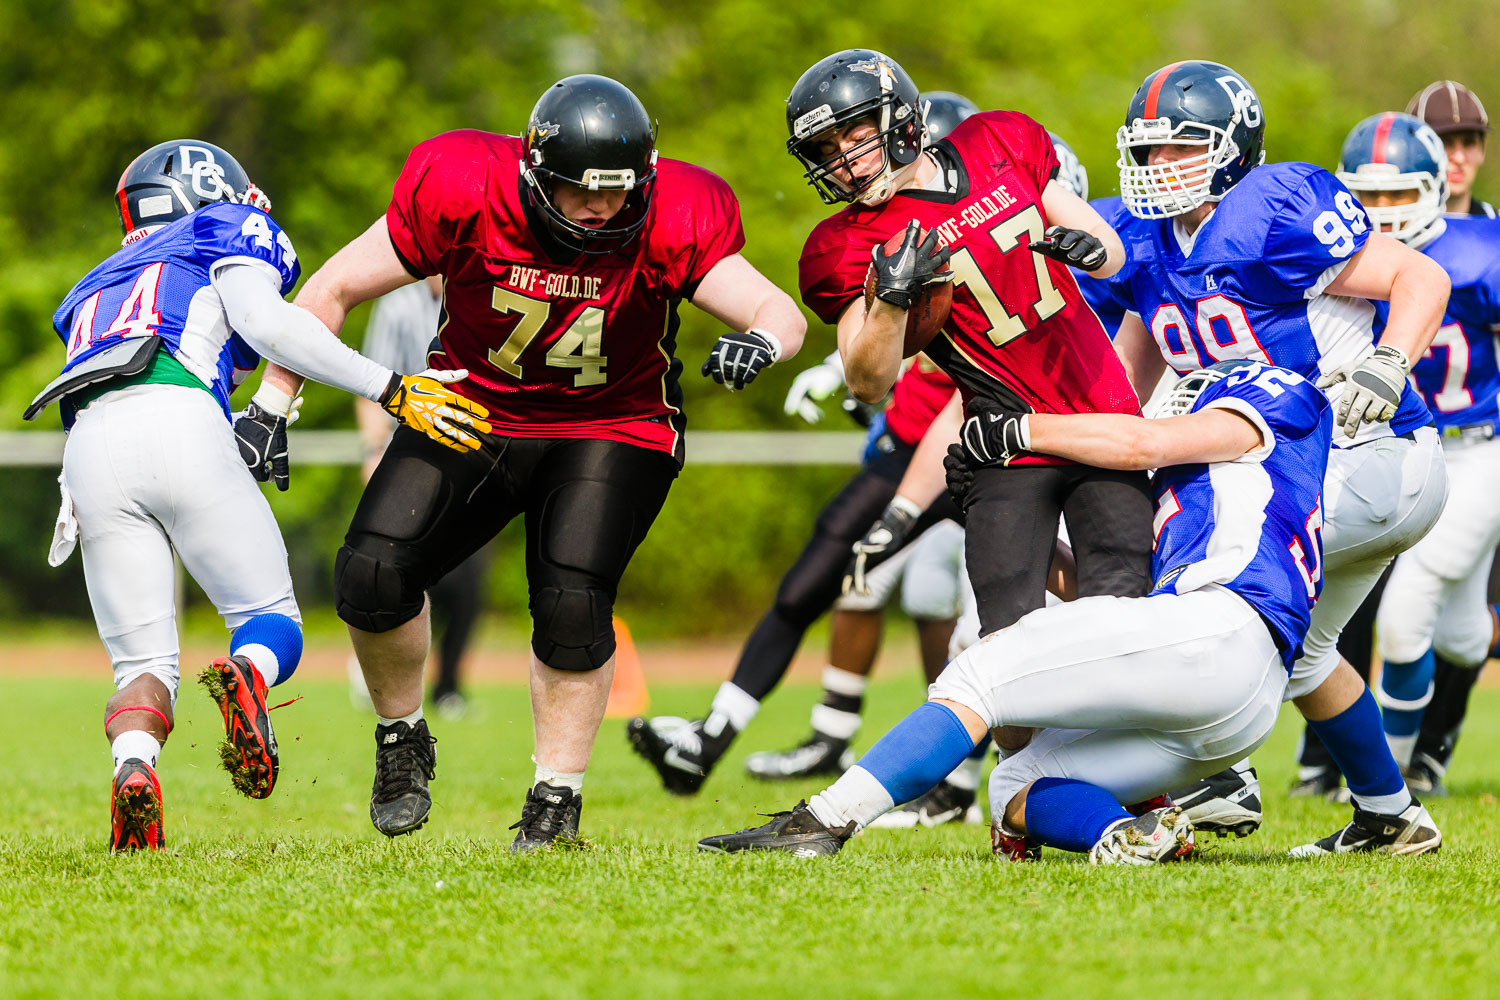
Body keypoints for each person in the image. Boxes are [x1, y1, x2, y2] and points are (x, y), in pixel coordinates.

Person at [252, 75, 805, 849]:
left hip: (613, 425)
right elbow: (334, 285)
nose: (602, 210)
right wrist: (276, 398)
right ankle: (402, 738)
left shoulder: (680, 209)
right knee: (370, 573)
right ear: (534, 172)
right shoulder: (462, 183)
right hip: (472, 408)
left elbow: (775, 308)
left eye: (619, 192)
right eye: (582, 191)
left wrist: (764, 341)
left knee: (572, 601)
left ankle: (555, 801)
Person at [699, 360, 1357, 864]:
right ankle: (1124, 835)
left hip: (1213, 631)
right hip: (1245, 700)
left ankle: (821, 822)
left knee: (977, 673)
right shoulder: (1241, 496)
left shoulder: (1254, 422)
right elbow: (1103, 597)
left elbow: (1140, 445)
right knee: (1014, 779)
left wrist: (1022, 430)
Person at [27, 139, 485, 851]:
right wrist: (389, 386)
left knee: (143, 664)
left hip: (87, 453)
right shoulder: (224, 227)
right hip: (177, 417)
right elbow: (271, 324)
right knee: (272, 620)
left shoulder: (91, 283)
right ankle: (248, 674)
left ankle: (136, 767)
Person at [1099, 61, 1449, 854]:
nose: (1159, 169)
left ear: (1231, 147)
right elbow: (1134, 374)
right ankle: (1392, 816)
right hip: (1328, 467)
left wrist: (1387, 359)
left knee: (1202, 568)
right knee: (1304, 654)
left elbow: (1417, 275)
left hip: (1374, 448)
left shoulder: (1274, 207)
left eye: (1180, 149)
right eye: (1148, 152)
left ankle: (1220, 777)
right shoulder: (1145, 240)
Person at [625, 90, 980, 798]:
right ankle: (720, 733)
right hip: (911, 437)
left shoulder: (986, 210)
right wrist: (848, 367)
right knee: (821, 579)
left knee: (1004, 600)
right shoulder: (859, 239)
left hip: (990, 437)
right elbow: (878, 347)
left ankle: (967, 780)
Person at [1332, 113, 1500, 794]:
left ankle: (1384, 783)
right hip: (1396, 447)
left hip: (1479, 451)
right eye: (1368, 196)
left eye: (1400, 194)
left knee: (1405, 615)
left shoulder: (1479, 250)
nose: (1382, 212)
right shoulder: (1334, 255)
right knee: (1460, 637)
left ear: (1433, 188)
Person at [354, 275, 490, 719]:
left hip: (471, 452)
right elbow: (371, 378)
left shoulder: (483, 291)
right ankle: (379, 667)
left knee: (467, 586)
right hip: (412, 456)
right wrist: (374, 450)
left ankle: (448, 685)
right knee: (394, 571)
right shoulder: (395, 305)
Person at [1407, 80, 1495, 217]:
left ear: (1482, 149)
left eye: (1469, 143)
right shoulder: (1385, 231)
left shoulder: (1495, 229)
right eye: (1445, 143)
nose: (1459, 158)